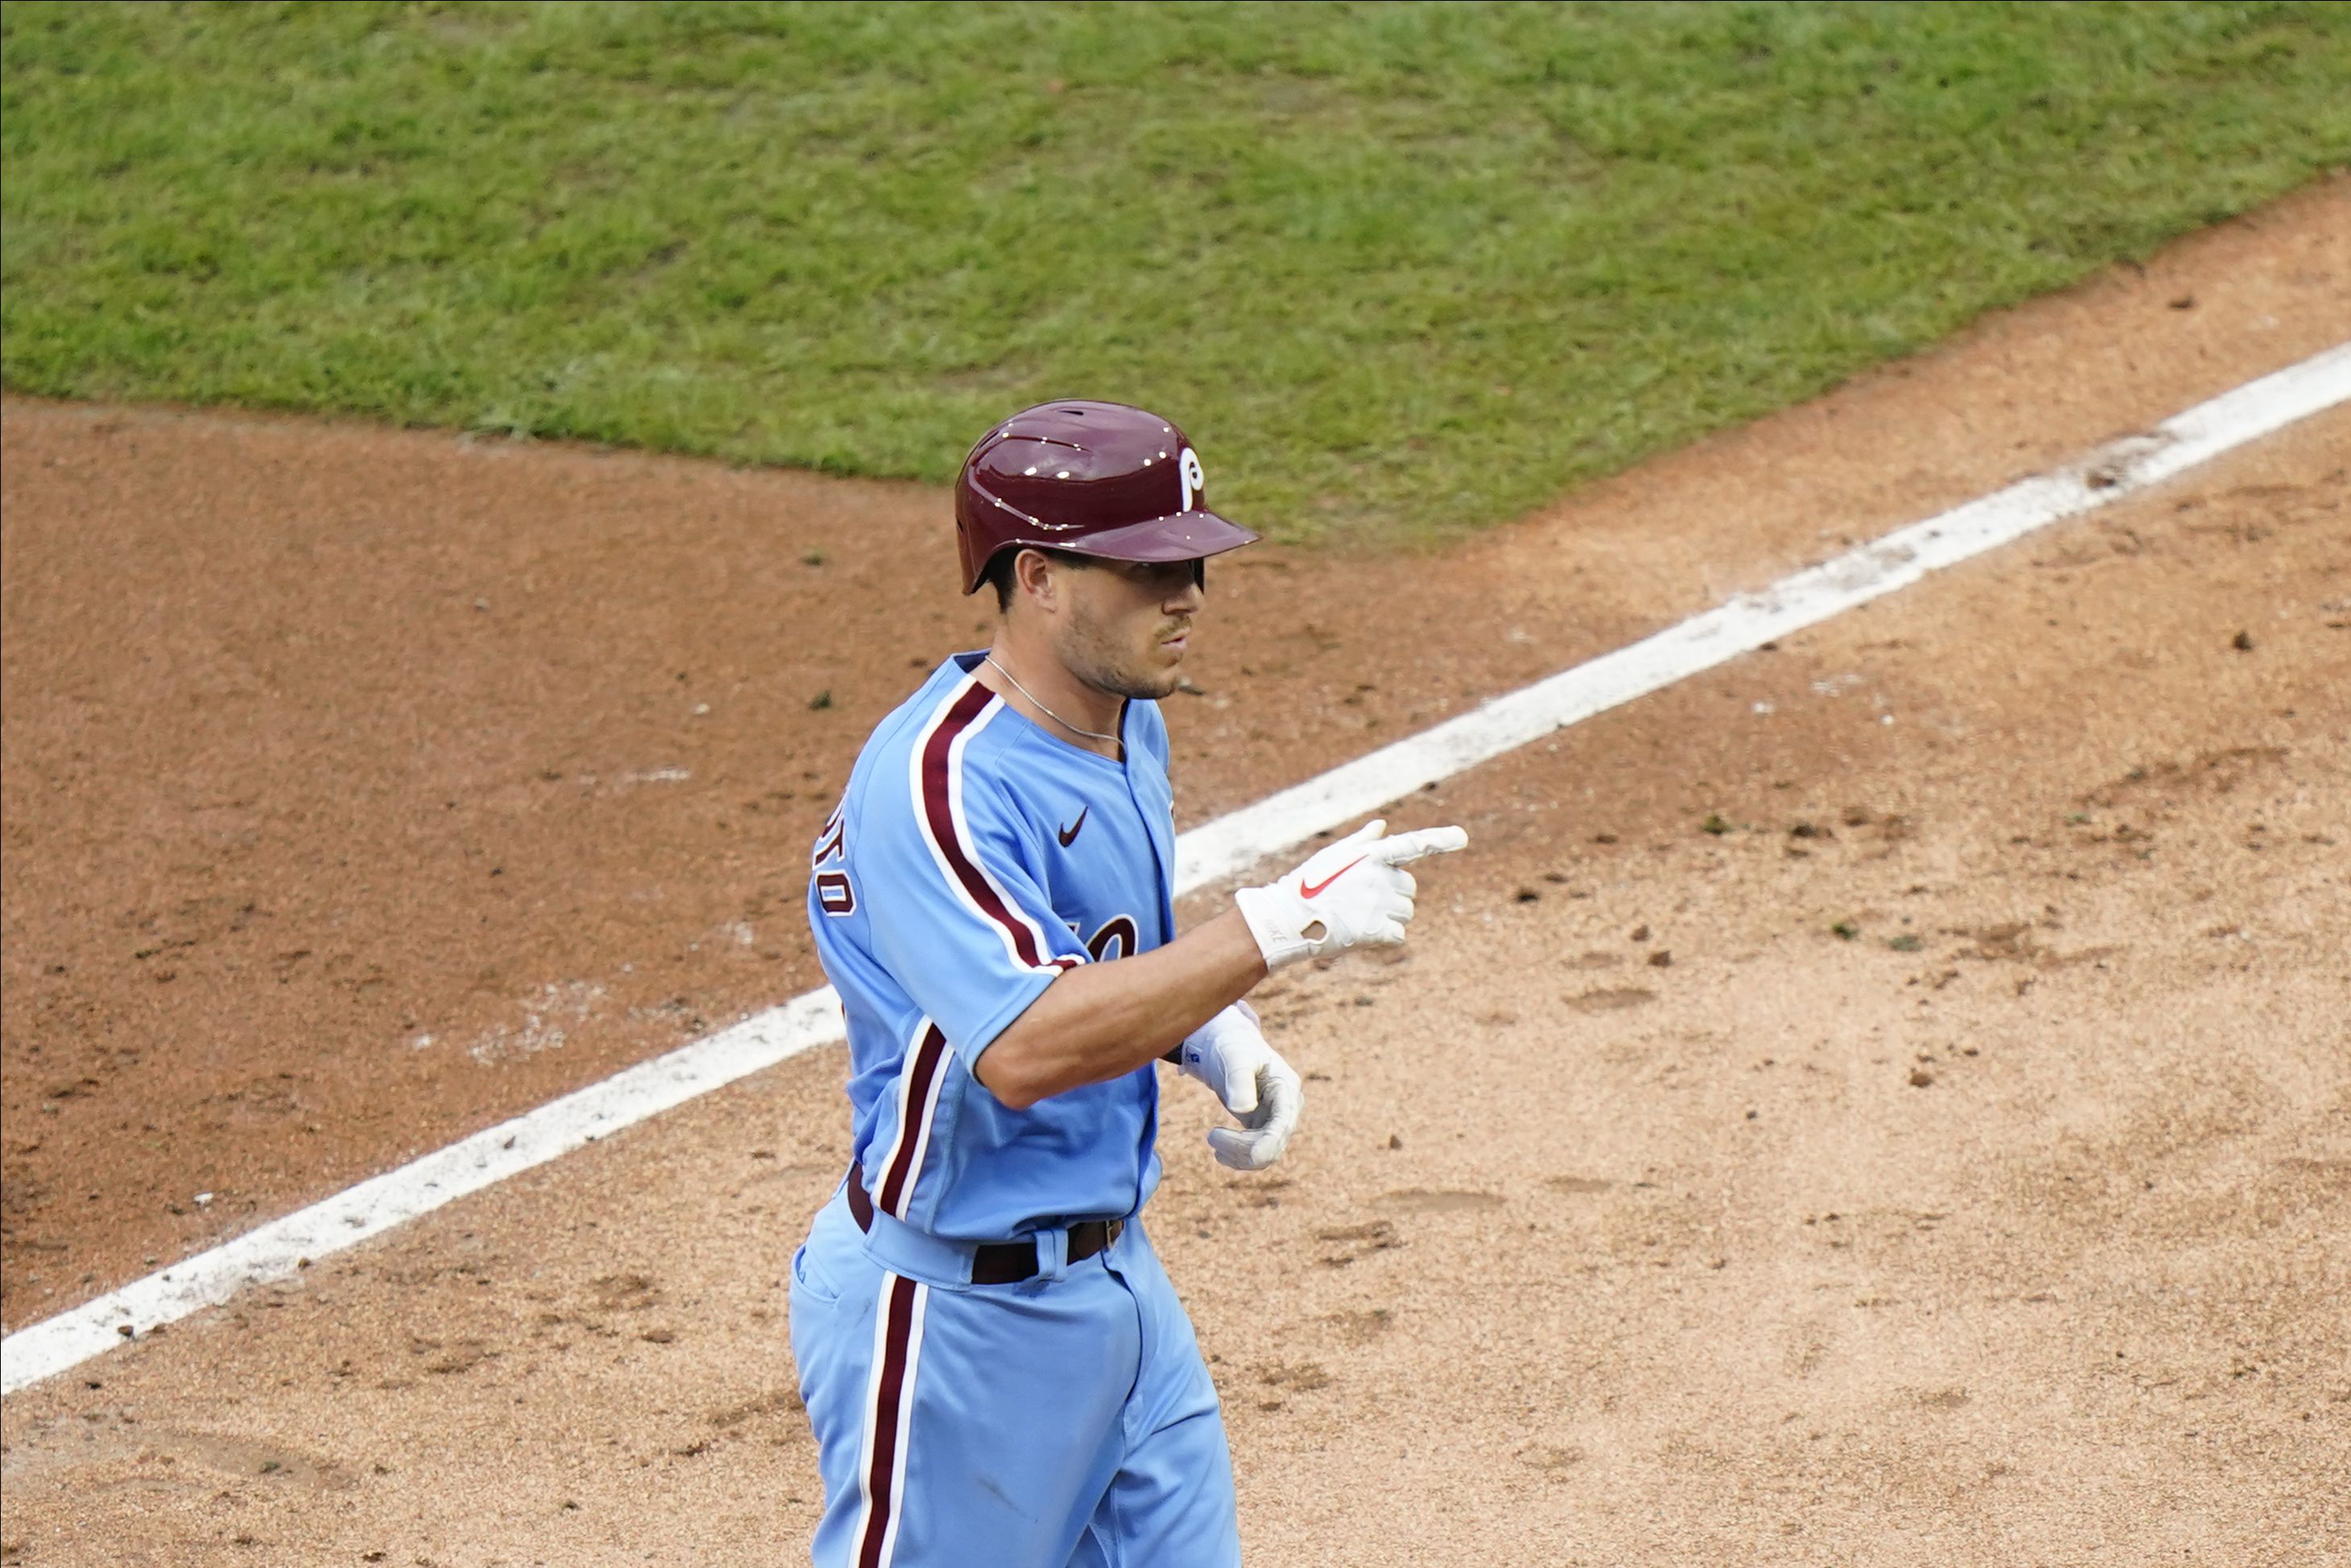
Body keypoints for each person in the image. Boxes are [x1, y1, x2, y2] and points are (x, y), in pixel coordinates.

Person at [789, 398, 1466, 1566]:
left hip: (1119, 1292)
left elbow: (1085, 950)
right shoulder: (942, 782)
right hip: (960, 1318)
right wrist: (1274, 925)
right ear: (1038, 577)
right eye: (1149, 571)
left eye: (1194, 564)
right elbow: (1025, 1047)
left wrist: (1212, 1033)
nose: (1188, 598)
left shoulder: (1122, 722)